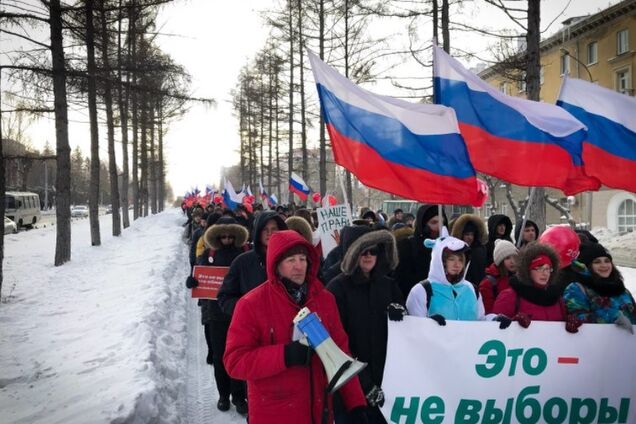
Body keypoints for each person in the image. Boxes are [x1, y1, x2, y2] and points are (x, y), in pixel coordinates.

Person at [223, 230, 369, 424]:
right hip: (274, 414)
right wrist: (285, 355)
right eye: (291, 260)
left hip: (319, 412)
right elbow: (235, 362)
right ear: (276, 265)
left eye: (303, 259)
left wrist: (355, 404)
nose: (299, 266)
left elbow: (341, 352)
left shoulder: (324, 300)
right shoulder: (251, 304)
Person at [327, 230, 403, 423]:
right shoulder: (337, 288)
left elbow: (405, 335)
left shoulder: (388, 285)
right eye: (363, 251)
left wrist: (401, 314)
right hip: (350, 385)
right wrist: (364, 383)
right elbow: (335, 343)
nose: (369, 256)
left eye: (374, 251)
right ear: (352, 253)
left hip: (386, 381)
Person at [186, 217, 249, 414]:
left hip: (241, 313)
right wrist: (193, 282)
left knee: (240, 355)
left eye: (231, 235)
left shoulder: (246, 253)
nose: (227, 239)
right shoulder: (208, 253)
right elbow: (200, 276)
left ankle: (239, 396)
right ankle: (223, 394)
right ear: (217, 235)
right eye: (223, 235)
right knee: (220, 356)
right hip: (216, 314)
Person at [492, 242, 581, 332]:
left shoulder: (556, 297)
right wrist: (513, 325)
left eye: (547, 268)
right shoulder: (510, 296)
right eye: (539, 268)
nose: (545, 273)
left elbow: (561, 323)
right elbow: (493, 328)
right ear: (527, 270)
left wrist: (569, 322)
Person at [406, 229, 489, 322]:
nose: (457, 264)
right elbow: (414, 328)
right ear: (440, 261)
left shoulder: (472, 289)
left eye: (461, 260)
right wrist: (429, 323)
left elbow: (481, 321)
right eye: (451, 259)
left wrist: (495, 320)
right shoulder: (422, 290)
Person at [217, 210, 287, 316]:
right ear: (258, 232)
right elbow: (225, 297)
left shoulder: (290, 258)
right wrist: (247, 309)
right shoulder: (242, 262)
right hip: (253, 326)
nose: (269, 233)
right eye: (265, 229)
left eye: (274, 229)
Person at [563, 242, 635, 332]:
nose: (604, 265)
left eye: (607, 261)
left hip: (627, 343)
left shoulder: (622, 290)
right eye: (597, 262)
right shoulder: (576, 289)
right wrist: (613, 317)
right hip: (595, 343)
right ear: (588, 266)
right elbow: (578, 318)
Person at [395, 204, 448, 298]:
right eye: (434, 222)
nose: (439, 227)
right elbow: (401, 280)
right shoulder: (406, 246)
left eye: (442, 223)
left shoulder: (448, 248)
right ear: (423, 224)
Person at [479, 239, 519, 314]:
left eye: (514, 257)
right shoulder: (488, 283)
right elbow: (488, 312)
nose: (512, 261)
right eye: (507, 258)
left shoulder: (521, 279)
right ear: (500, 261)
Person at [450, 214, 488, 287]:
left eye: (472, 234)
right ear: (461, 235)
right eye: (467, 234)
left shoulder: (479, 251)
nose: (470, 237)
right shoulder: (456, 251)